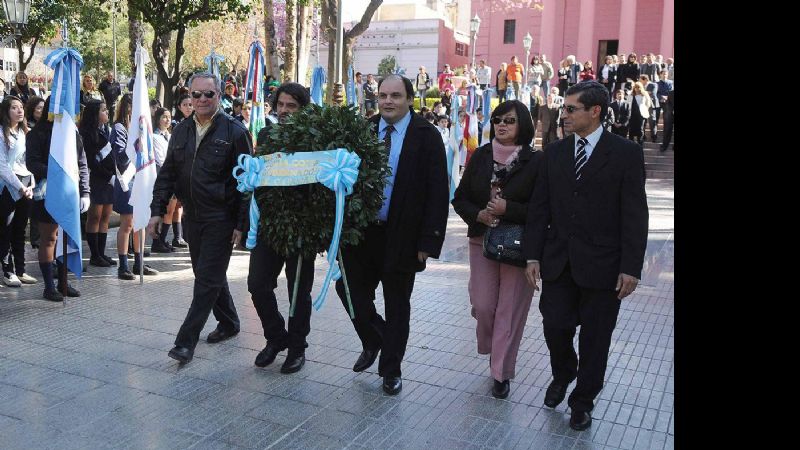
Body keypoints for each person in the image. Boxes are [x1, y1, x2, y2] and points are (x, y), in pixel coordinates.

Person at [523, 81, 648, 431]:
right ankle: (564, 372)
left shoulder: (625, 153)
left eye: (570, 109)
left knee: (596, 339)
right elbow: (539, 208)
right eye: (564, 108)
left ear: (594, 112)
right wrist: (532, 256)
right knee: (555, 325)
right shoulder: (555, 153)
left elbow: (635, 215)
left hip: (604, 267)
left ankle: (583, 401)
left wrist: (631, 268)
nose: (563, 115)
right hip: (559, 262)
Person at [334, 75, 450, 395]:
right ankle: (375, 339)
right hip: (363, 235)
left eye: (396, 96)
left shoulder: (427, 137)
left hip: (404, 238)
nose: (388, 101)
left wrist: (429, 241)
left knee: (397, 304)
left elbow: (438, 192)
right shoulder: (362, 130)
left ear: (409, 99)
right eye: (383, 95)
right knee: (347, 290)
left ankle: (391, 370)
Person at [147, 72, 253, 364]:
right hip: (193, 215)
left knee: (206, 280)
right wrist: (157, 210)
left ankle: (185, 342)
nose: (202, 100)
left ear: (219, 95)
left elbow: (247, 183)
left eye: (209, 94)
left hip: (222, 217)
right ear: (189, 98)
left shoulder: (235, 131)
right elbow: (168, 173)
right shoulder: (180, 131)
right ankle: (230, 321)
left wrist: (241, 224)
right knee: (209, 275)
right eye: (196, 95)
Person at [451, 99, 543, 399]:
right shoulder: (480, 155)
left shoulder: (535, 160)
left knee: (510, 310)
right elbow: (460, 197)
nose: (502, 125)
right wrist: (478, 214)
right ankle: (494, 348)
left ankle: (501, 372)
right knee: (484, 304)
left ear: (523, 126)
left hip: (518, 247)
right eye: (498, 119)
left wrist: (508, 208)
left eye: (510, 120)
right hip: (482, 242)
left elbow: (542, 210)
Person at [248, 82, 314, 374]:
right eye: (281, 105)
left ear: (303, 109)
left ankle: (297, 348)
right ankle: (276, 337)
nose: (285, 111)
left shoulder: (315, 138)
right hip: (270, 223)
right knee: (257, 283)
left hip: (302, 227)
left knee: (298, 290)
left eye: (292, 106)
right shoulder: (265, 134)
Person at [26, 96, 90, 302]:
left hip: (69, 193)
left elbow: (82, 164)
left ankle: (64, 281)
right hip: (47, 193)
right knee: (50, 239)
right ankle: (49, 286)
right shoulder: (38, 133)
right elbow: (32, 163)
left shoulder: (73, 134)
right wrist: (58, 172)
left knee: (67, 237)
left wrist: (85, 192)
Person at [110, 94, 158, 280]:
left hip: (140, 177)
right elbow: (120, 156)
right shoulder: (119, 128)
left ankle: (139, 263)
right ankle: (123, 265)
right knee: (128, 223)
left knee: (141, 222)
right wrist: (135, 145)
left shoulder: (140, 126)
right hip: (126, 179)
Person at [0, 95, 37, 287]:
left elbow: (27, 162)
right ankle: (8, 271)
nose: (20, 110)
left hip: (25, 186)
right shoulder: (1, 133)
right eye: (14, 107)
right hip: (8, 187)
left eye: (21, 107)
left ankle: (21, 270)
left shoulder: (24, 133)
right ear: (6, 111)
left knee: (20, 230)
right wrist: (20, 186)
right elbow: (3, 166)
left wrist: (31, 185)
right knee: (6, 229)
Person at [80, 100, 117, 267]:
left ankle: (101, 253)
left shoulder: (105, 131)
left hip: (109, 178)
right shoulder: (87, 133)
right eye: (103, 110)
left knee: (106, 216)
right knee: (95, 216)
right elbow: (91, 160)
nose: (107, 112)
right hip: (96, 178)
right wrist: (107, 175)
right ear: (94, 113)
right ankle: (94, 255)